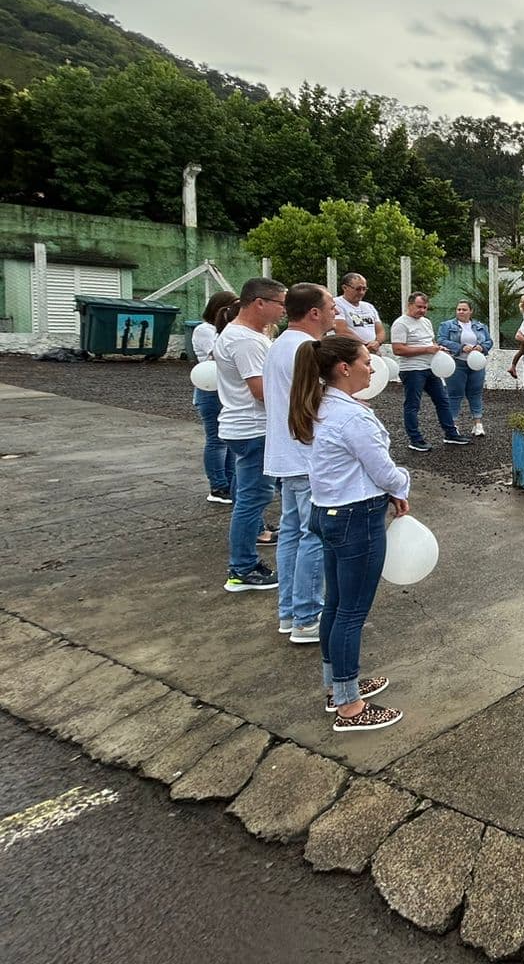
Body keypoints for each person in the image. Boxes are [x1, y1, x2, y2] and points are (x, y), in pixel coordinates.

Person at [288, 335, 409, 732]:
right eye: (365, 361)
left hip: (329, 512)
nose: (371, 367)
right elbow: (383, 468)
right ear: (344, 368)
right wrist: (401, 487)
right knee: (351, 612)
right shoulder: (352, 416)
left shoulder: (323, 405)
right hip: (357, 516)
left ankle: (339, 685)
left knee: (337, 606)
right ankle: (350, 707)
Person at [263, 282, 335, 641]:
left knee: (291, 534)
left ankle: (290, 613)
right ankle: (307, 616)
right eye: (331, 306)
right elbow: (317, 405)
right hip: (307, 457)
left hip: (286, 455)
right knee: (314, 536)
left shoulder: (279, 345)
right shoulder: (307, 349)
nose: (336, 312)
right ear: (315, 313)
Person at [213, 277, 286, 593]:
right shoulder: (245, 340)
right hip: (253, 429)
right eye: (280, 304)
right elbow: (261, 391)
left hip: (245, 427)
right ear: (260, 303)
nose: (284, 310)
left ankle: (243, 564)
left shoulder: (248, 335)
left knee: (248, 497)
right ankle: (242, 568)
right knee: (253, 499)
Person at [391, 292, 468, 452]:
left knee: (443, 400)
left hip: (430, 367)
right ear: (409, 305)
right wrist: (427, 349)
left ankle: (451, 433)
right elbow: (398, 349)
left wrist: (439, 349)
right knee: (413, 404)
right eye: (419, 307)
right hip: (412, 370)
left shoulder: (426, 322)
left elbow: (431, 341)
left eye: (425, 307)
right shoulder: (400, 323)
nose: (422, 310)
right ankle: (415, 439)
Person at [193, 290, 237, 503]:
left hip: (224, 387)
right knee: (216, 440)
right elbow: (217, 352)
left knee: (227, 440)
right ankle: (218, 485)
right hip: (210, 388)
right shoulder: (205, 330)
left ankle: (227, 482)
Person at [438, 300, 493, 436]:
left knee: (475, 393)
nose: (461, 312)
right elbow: (441, 340)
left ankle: (478, 424)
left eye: (464, 309)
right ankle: (453, 426)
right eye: (458, 309)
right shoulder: (447, 325)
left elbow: (489, 341)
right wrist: (461, 347)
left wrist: (482, 347)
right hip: (457, 363)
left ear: (471, 311)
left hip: (477, 364)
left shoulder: (480, 326)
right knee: (454, 394)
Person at [332, 273, 385, 348]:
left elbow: (380, 331)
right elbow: (341, 330)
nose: (361, 292)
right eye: (358, 289)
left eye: (364, 289)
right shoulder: (336, 304)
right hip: (350, 350)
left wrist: (377, 342)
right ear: (344, 288)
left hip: (372, 350)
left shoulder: (369, 306)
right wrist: (365, 345)